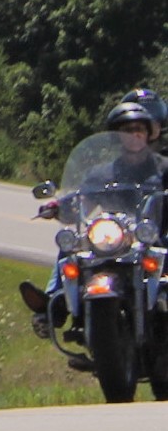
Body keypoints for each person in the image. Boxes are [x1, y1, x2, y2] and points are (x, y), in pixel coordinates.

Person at [29, 100, 168, 339]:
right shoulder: (102, 173)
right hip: (116, 237)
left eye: (139, 129)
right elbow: (82, 201)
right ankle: (54, 304)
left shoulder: (163, 169)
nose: (134, 135)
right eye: (127, 130)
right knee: (72, 243)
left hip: (154, 236)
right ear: (116, 136)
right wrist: (59, 207)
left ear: (149, 134)